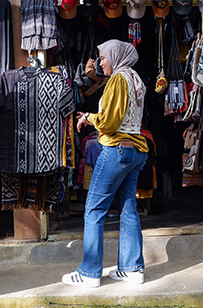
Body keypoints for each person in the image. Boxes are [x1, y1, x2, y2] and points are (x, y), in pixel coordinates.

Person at [63, 40, 149, 287]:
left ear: (115, 56)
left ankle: (89, 273)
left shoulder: (119, 80)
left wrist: (91, 117)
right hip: (135, 151)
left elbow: (110, 122)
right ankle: (132, 269)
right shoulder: (133, 77)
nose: (100, 63)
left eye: (102, 57)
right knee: (128, 207)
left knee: (94, 209)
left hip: (117, 150)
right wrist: (93, 119)